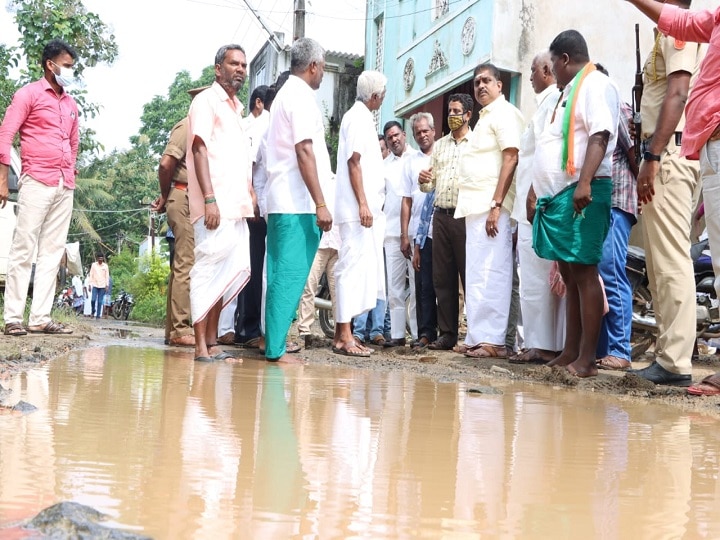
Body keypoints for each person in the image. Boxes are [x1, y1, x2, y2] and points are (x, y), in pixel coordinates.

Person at [622, 0, 706, 388]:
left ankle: (674, 362)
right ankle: (667, 355)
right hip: (662, 153)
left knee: (671, 262)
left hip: (668, 154)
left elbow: (678, 92)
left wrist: (653, 155)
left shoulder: (679, 30)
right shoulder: (666, 32)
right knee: (659, 263)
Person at [530, 30, 620, 378]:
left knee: (584, 272)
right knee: (568, 272)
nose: (553, 69)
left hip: (585, 191)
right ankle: (570, 350)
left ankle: (586, 360)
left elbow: (600, 134)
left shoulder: (596, 84)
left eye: (553, 62)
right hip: (560, 196)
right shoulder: (567, 91)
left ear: (565, 59)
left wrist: (584, 183)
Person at [0, 40, 79, 336]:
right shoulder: (28, 95)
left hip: (64, 183)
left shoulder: (71, 104)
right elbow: (5, 135)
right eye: (67, 65)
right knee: (23, 248)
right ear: (50, 64)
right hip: (35, 179)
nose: (70, 71)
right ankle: (12, 318)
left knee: (52, 251)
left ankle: (40, 318)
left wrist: (70, 169)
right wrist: (3, 180)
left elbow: (73, 142)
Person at [264, 37, 333, 363]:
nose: (323, 74)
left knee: (281, 275)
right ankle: (275, 348)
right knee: (289, 276)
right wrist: (320, 203)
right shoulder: (300, 97)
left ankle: (274, 344)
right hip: (295, 203)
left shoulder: (284, 96)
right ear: (314, 66)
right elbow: (304, 150)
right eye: (323, 67)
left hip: (284, 201)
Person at [186, 44, 255, 363]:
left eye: (243, 64)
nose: (240, 69)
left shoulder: (235, 109)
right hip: (214, 206)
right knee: (207, 270)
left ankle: (212, 343)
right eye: (233, 63)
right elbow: (199, 150)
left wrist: (249, 193)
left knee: (223, 275)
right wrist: (210, 199)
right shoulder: (206, 101)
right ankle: (200, 347)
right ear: (218, 68)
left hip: (234, 207)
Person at [455, 63, 524, 359]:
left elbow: (511, 156)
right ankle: (477, 336)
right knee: (476, 273)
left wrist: (496, 204)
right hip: (475, 207)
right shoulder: (484, 118)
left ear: (500, 86)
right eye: (476, 82)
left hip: (491, 206)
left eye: (486, 81)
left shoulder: (505, 113)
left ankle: (494, 340)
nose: (481, 86)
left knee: (493, 272)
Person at [510, 52, 564, 365]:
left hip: (538, 203)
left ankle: (542, 345)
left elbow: (546, 152)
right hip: (531, 204)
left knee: (537, 278)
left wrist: (533, 195)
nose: (529, 76)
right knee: (533, 278)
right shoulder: (544, 102)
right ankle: (540, 342)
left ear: (546, 69)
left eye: (532, 70)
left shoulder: (553, 100)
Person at [333, 70, 388, 357]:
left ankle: (347, 333)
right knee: (350, 269)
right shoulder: (357, 117)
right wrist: (363, 203)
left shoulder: (363, 118)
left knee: (357, 271)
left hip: (362, 211)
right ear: (376, 96)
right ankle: (343, 336)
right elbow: (354, 162)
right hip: (357, 211)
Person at [150, 87, 209, 348]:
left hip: (187, 197)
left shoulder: (201, 129)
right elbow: (165, 164)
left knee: (181, 265)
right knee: (187, 263)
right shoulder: (187, 126)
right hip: (182, 196)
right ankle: (181, 329)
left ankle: (174, 330)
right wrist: (165, 195)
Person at [593, 64, 640, 371]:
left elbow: (634, 154)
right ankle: (600, 350)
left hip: (617, 200)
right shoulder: (594, 115)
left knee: (611, 272)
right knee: (595, 278)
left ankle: (620, 350)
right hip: (598, 205)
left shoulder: (618, 108)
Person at [418, 94, 474, 350]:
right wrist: (423, 180)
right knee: (443, 278)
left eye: (456, 111)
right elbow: (430, 184)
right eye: (450, 111)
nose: (452, 115)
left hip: (465, 217)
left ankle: (474, 334)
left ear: (468, 115)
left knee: (469, 275)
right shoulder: (440, 145)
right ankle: (448, 333)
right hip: (440, 216)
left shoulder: (476, 144)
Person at [225, 84, 275, 348]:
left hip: (270, 208)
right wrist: (253, 199)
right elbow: (249, 164)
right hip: (256, 209)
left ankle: (259, 328)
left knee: (262, 269)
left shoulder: (270, 123)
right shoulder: (258, 125)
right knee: (253, 268)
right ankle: (248, 328)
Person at [402, 113, 437, 350]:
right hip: (418, 233)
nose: (422, 135)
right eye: (418, 132)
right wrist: (405, 234)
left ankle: (447, 333)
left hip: (442, 228)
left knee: (441, 285)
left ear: (433, 131)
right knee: (422, 284)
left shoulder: (443, 154)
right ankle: (425, 333)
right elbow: (407, 200)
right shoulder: (410, 161)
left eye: (425, 131)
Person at [383, 120, 417, 347]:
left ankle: (417, 334)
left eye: (396, 135)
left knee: (416, 286)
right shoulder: (383, 165)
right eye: (389, 138)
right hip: (391, 233)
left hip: (415, 233)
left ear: (404, 135)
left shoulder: (418, 159)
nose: (394, 140)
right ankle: (397, 335)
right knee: (394, 288)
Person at [297, 174, 339, 342]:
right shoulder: (313, 182)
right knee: (309, 286)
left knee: (338, 290)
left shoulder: (339, 181)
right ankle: (304, 330)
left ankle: (340, 330)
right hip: (318, 242)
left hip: (337, 242)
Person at [88, 253, 110, 319]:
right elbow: (91, 274)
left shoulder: (105, 266)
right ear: (97, 259)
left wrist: (107, 285)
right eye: (99, 259)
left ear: (103, 259)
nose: (100, 260)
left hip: (102, 286)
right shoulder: (94, 265)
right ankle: (93, 311)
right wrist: (89, 284)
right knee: (93, 300)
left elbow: (107, 276)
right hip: (95, 285)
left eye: (101, 259)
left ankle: (98, 316)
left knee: (100, 301)